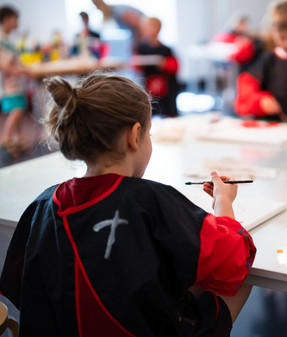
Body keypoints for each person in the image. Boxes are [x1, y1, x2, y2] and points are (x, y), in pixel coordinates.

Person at [0, 72, 256, 336]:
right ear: (135, 136)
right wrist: (223, 201)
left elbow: (20, 286)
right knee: (236, 281)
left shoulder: (43, 203)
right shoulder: (147, 200)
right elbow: (235, 257)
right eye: (149, 134)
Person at [0, 6, 31, 156]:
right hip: (8, 84)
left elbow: (15, 60)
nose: (17, 22)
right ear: (6, 19)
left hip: (15, 82)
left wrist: (24, 70)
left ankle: (17, 140)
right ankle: (6, 139)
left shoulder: (8, 39)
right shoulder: (0, 38)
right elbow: (3, 64)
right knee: (16, 110)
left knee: (20, 106)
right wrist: (19, 71)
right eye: (15, 19)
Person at [135, 17, 179, 117]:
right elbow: (136, 64)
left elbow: (174, 67)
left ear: (158, 29)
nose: (146, 30)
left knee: (168, 110)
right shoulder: (142, 48)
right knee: (151, 109)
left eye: (149, 27)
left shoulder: (166, 49)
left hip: (166, 86)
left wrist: (164, 64)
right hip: (149, 84)